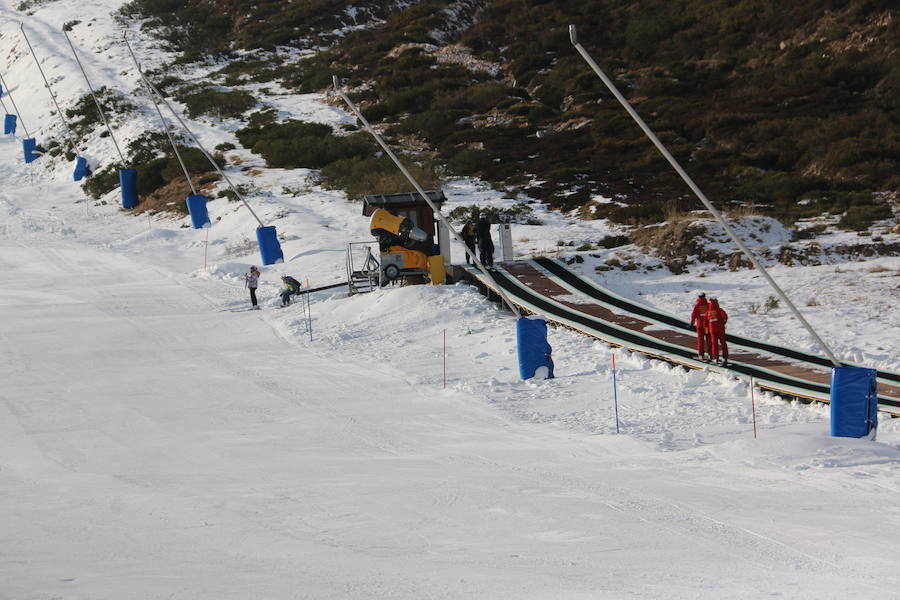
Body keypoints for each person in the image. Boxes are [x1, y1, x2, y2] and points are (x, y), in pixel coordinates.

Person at [707, 297, 729, 365]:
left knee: (714, 344)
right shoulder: (720, 310)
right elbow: (725, 317)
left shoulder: (708, 312)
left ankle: (715, 358)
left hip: (712, 330)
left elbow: (706, 321)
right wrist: (723, 323)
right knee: (723, 343)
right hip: (720, 329)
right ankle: (725, 358)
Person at [689, 292, 709, 360]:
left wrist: (692, 323)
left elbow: (693, 314)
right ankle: (711, 354)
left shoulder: (697, 305)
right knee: (709, 339)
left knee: (700, 340)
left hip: (700, 325)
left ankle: (701, 355)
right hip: (707, 325)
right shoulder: (708, 305)